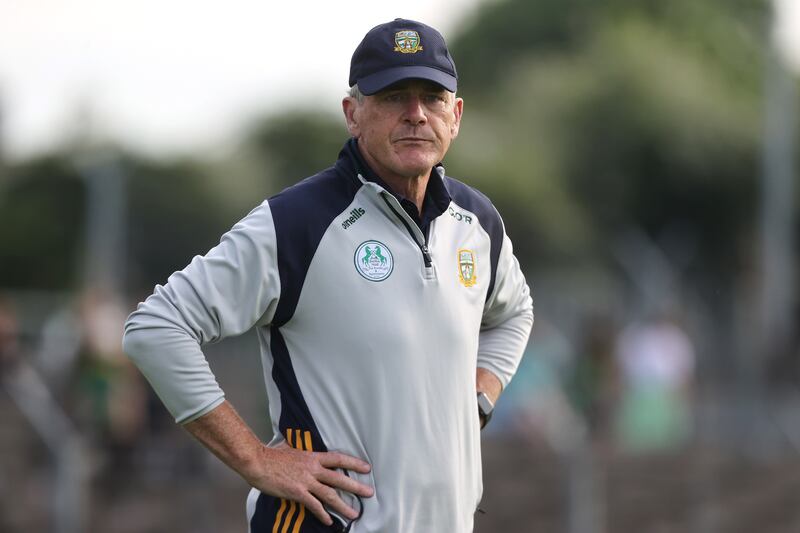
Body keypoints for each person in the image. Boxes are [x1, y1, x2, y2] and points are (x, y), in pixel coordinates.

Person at [123, 18, 533, 533]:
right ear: (353, 114)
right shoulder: (296, 224)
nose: (415, 114)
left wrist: (479, 398)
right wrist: (255, 459)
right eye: (392, 96)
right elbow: (157, 327)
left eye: (432, 97)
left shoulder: (478, 224)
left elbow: (515, 312)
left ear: (456, 115)